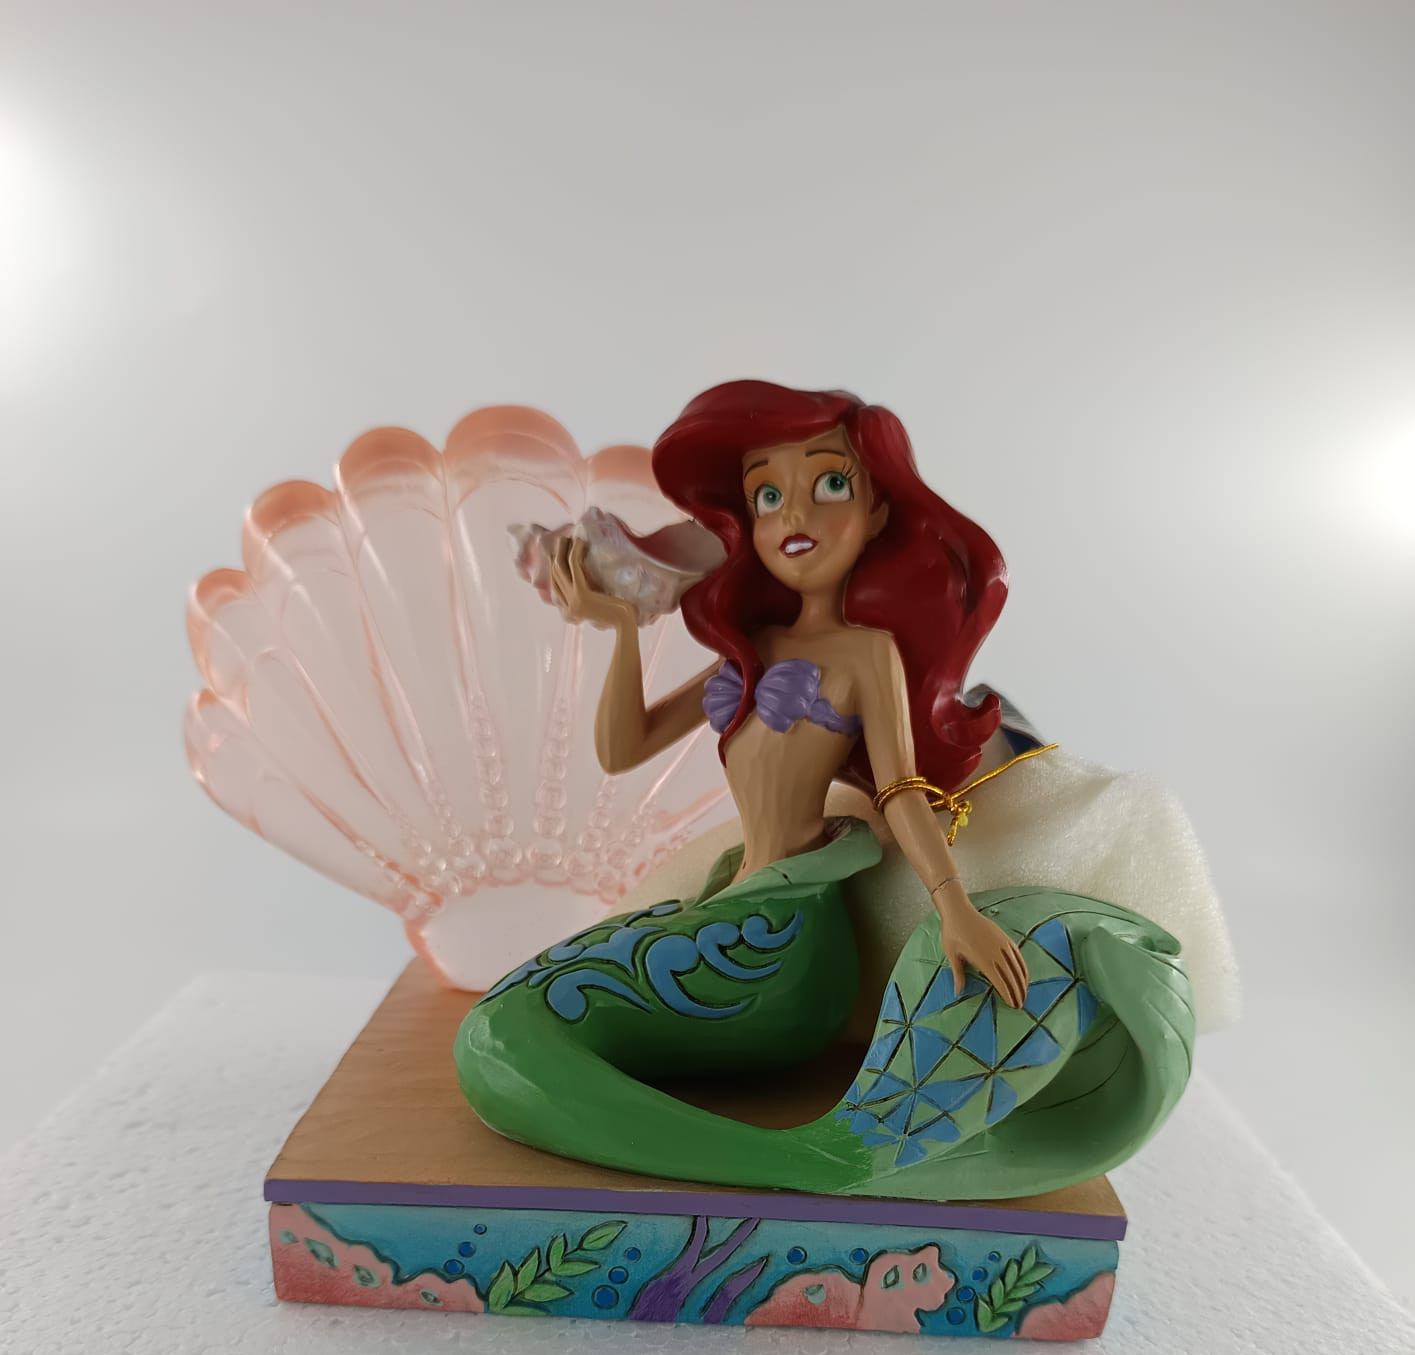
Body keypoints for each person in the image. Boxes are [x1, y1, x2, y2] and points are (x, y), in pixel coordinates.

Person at [455, 382, 1193, 1198]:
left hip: (783, 942)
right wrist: (625, 625)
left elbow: (900, 788)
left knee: (505, 1030)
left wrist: (956, 909)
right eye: (767, 496)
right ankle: (771, 1156)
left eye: (830, 483)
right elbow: (623, 746)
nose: (794, 515)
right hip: (734, 909)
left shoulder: (866, 654)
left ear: (878, 512)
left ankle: (789, 1162)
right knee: (503, 1028)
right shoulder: (756, 647)